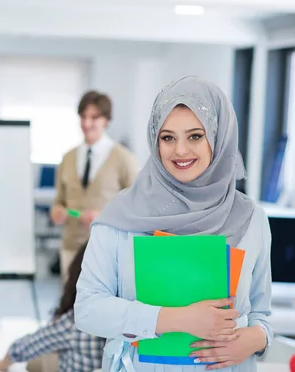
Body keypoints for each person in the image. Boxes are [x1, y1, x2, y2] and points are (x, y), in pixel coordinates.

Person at [74, 76, 273, 371]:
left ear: (218, 138)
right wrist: (177, 319)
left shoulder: (251, 218)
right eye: (168, 137)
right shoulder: (123, 215)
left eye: (195, 136)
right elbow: (88, 310)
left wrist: (257, 339)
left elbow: (261, 312)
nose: (180, 150)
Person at [50, 90, 139, 281]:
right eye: (83, 117)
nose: (86, 123)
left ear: (106, 120)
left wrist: (106, 218)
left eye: (94, 117)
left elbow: (137, 206)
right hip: (71, 247)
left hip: (105, 250)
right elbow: (59, 200)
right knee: (69, 306)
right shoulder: (67, 158)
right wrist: (57, 210)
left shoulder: (124, 159)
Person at [0, 242, 105, 372]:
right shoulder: (123, 318)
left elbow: (27, 346)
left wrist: (1, 365)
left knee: (33, 364)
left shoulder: (75, 324)